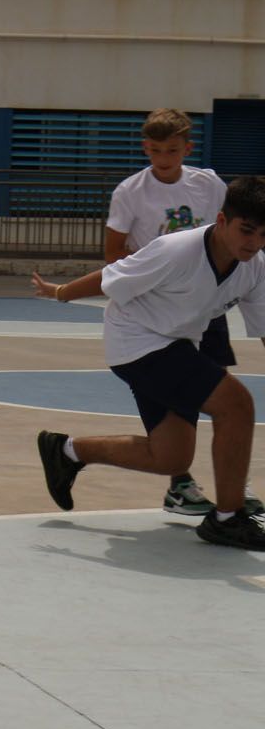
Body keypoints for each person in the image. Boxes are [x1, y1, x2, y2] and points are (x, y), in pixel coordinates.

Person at [32, 175, 265, 550]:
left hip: (177, 344)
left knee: (170, 457)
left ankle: (67, 451)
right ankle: (228, 518)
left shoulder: (254, 266)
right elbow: (112, 278)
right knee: (236, 405)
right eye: (247, 231)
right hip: (138, 341)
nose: (253, 243)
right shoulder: (177, 250)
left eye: (262, 235)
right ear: (222, 221)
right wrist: (60, 292)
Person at [103, 108, 233, 518]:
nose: (163, 158)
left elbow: (229, 230)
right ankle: (180, 482)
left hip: (205, 304)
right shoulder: (131, 191)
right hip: (155, 312)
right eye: (156, 150)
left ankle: (235, 483)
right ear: (145, 147)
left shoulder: (207, 184)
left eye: (172, 150)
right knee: (169, 395)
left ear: (187, 148)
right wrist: (158, 271)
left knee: (219, 392)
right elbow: (112, 254)